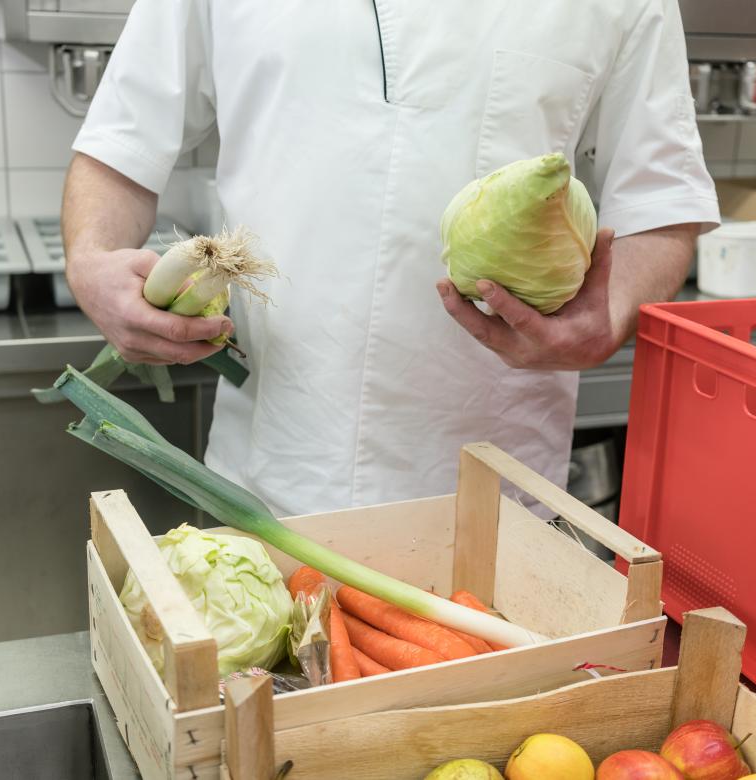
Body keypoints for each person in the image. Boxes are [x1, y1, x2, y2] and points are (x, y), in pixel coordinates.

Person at [63, 1, 719, 519]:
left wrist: (609, 318)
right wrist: (90, 261)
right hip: (267, 486)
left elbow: (662, 201)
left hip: (491, 503)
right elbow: (121, 145)